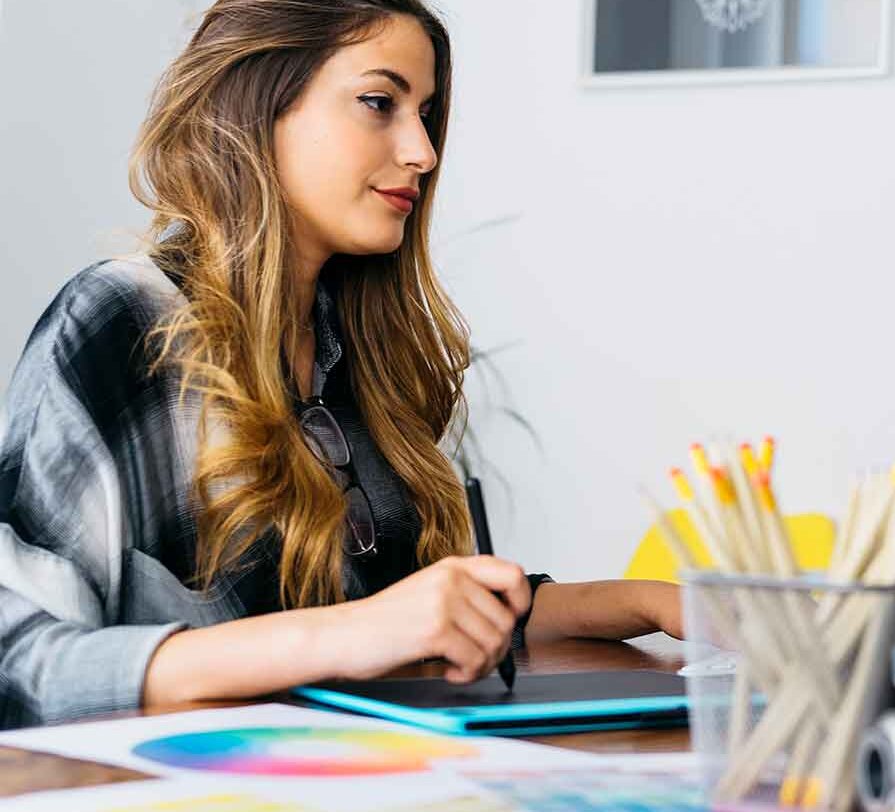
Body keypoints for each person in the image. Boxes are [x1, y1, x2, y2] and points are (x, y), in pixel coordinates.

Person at [0, 0, 682, 729]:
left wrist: (654, 602)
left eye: (425, 113)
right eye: (380, 103)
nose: (422, 150)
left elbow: (431, 618)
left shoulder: (360, 355)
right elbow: (22, 666)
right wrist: (353, 635)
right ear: (260, 103)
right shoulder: (121, 321)